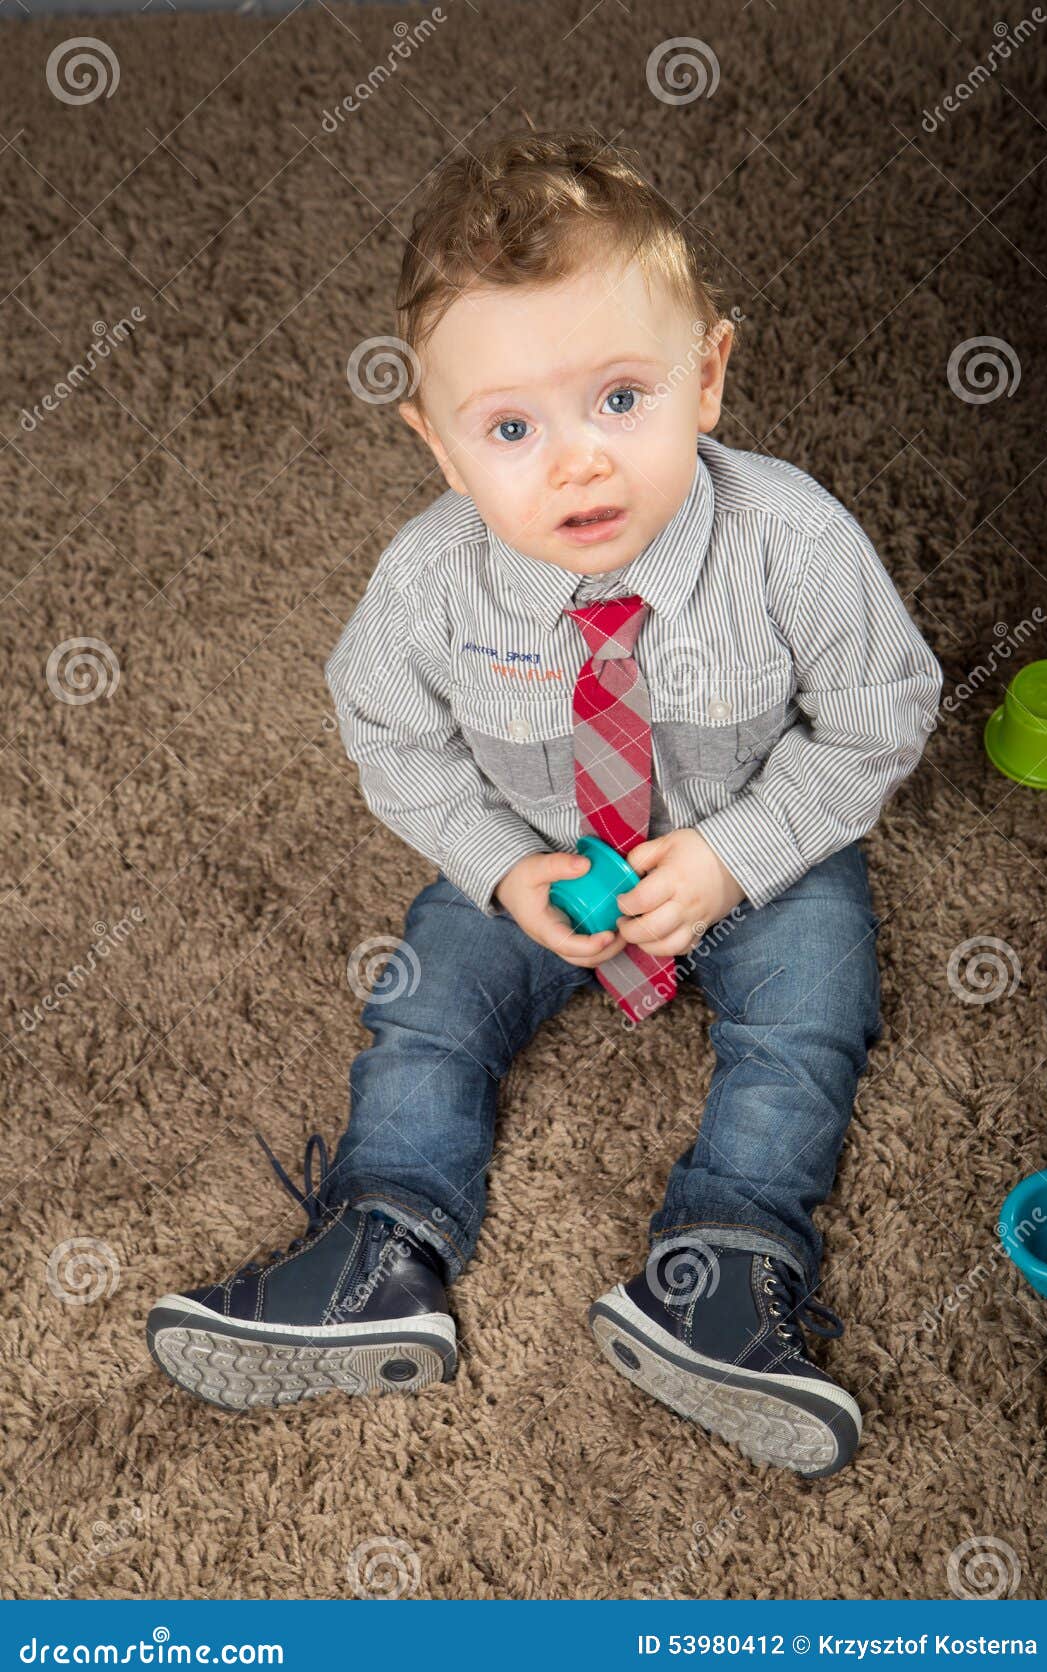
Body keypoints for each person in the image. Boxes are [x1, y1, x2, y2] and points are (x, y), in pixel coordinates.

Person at [147, 128, 942, 1478]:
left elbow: (883, 710)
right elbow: (390, 736)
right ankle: (384, 1238)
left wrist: (738, 855)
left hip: (757, 844)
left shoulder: (792, 538)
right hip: (543, 848)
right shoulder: (429, 582)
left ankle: (728, 1266)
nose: (576, 463)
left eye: (621, 400)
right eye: (512, 428)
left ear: (710, 376)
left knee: (816, 1007)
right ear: (441, 447)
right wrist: (500, 867)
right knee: (425, 1000)